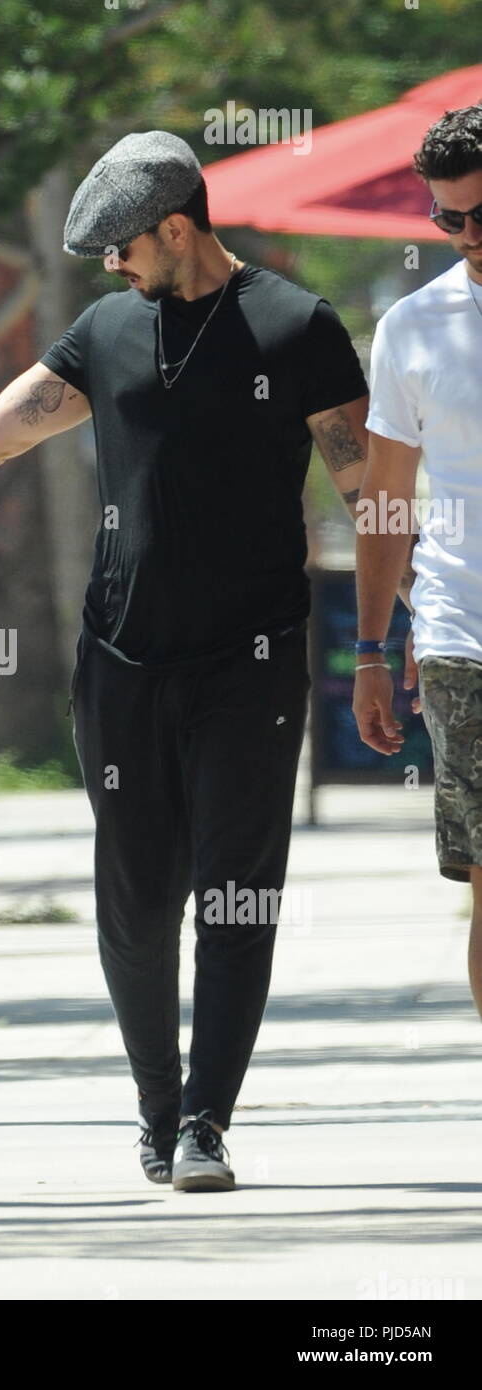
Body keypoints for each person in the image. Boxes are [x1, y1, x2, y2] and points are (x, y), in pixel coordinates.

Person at [0, 130, 390, 1192]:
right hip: (122, 657)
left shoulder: (297, 325)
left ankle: (207, 1121)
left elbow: (369, 496)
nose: (109, 266)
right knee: (135, 902)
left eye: (120, 245)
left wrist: (387, 639)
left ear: (178, 226)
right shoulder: (105, 329)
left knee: (237, 897)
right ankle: (156, 1106)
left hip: (253, 661)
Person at [353, 103, 482, 1023]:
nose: (471, 236)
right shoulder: (414, 325)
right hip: (460, 636)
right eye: (450, 220)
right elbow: (388, 500)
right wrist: (370, 646)